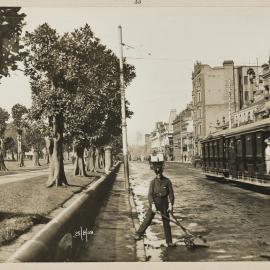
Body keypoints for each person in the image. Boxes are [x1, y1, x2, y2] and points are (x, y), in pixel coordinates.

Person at [134, 161, 175, 247]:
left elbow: (171, 194)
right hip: (155, 202)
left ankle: (169, 241)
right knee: (147, 219)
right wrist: (152, 204)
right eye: (157, 174)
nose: (159, 175)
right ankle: (138, 233)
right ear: (155, 173)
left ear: (162, 172)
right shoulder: (153, 182)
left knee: (166, 222)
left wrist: (171, 204)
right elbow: (150, 194)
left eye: (160, 173)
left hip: (164, 203)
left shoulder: (167, 181)